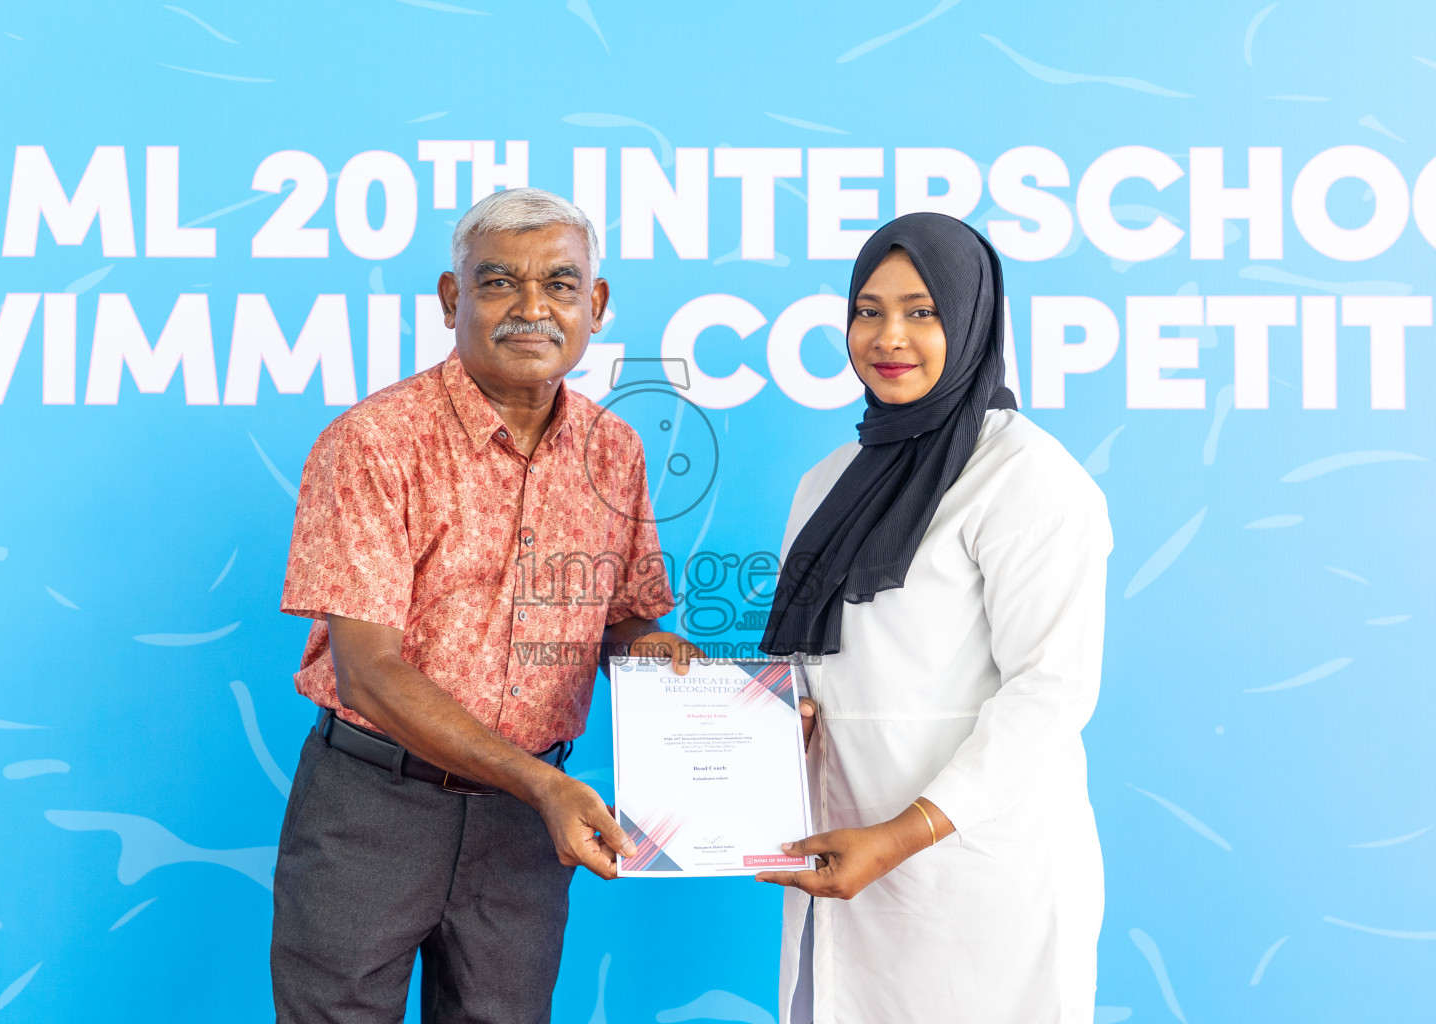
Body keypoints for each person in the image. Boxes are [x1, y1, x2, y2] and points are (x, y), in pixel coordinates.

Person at [270, 187, 695, 1024]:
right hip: (372, 811)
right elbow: (369, 673)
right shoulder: (373, 443)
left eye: (561, 285)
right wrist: (542, 785)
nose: (531, 308)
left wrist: (708, 695)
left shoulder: (616, 450)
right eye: (498, 283)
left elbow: (622, 621)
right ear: (450, 298)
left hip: (524, 834)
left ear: (596, 305)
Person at [755, 213, 1113, 1024]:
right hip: (843, 862)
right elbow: (835, 672)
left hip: (974, 874)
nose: (890, 336)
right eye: (868, 309)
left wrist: (902, 834)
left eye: (924, 311)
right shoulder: (828, 482)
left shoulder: (1027, 477)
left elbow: (1050, 694)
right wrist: (780, 726)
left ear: (973, 316)